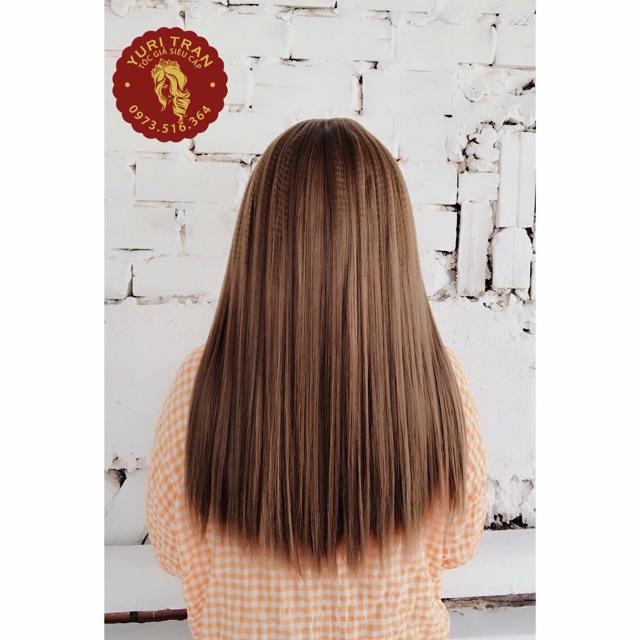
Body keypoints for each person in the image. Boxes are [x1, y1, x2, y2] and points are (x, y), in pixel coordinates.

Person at [146, 118, 487, 639]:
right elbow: (459, 545)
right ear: (391, 244)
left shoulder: (198, 383)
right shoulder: (439, 381)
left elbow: (173, 549)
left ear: (259, 239)